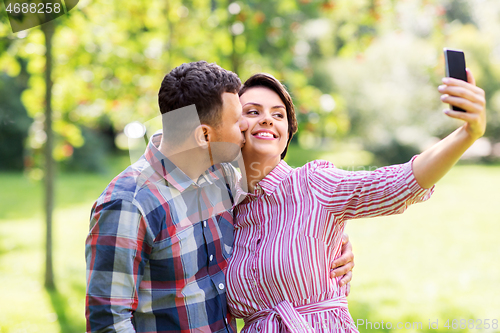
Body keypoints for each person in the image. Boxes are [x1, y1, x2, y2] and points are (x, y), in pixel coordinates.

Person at [85, 61, 354, 333]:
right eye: (238, 121)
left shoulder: (222, 176)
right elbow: (109, 324)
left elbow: (270, 217)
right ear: (204, 135)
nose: (246, 127)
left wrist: (330, 242)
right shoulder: (129, 204)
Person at [225, 71, 486, 332]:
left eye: (278, 114)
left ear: (287, 132)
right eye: (252, 112)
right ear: (232, 127)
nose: (268, 120)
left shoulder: (314, 184)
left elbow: (398, 183)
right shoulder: (224, 207)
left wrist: (467, 134)